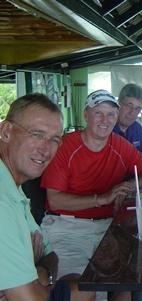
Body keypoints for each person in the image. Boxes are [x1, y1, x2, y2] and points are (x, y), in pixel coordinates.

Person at [40, 89, 142, 284]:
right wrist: (102, 198)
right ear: (86, 114)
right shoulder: (64, 146)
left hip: (109, 228)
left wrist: (128, 185)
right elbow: (54, 200)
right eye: (98, 113)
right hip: (68, 228)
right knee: (74, 286)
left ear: (116, 118)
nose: (105, 119)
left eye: (111, 114)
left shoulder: (119, 145)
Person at [0, 94, 93, 301]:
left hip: (31, 285)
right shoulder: (2, 202)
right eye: (36, 134)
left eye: (53, 140)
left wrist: (40, 270)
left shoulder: (13, 186)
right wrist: (35, 274)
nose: (45, 149)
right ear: (6, 132)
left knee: (85, 288)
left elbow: (51, 254)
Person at [113, 84, 142, 164]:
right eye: (129, 105)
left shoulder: (136, 127)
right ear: (119, 103)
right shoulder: (107, 128)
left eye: (137, 108)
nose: (132, 112)